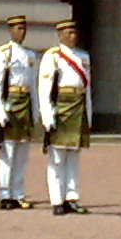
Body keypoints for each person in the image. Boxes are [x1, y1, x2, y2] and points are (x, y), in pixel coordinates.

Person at [38, 17, 92, 214]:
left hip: (78, 106)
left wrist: (89, 114)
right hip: (60, 107)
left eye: (74, 32)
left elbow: (87, 89)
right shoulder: (52, 57)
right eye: (68, 33)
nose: (73, 36)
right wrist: (47, 115)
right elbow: (45, 88)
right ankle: (56, 199)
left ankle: (71, 197)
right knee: (57, 157)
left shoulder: (84, 56)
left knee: (73, 157)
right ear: (60, 35)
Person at [0, 13, 39, 209]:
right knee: (7, 152)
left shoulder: (29, 54)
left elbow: (32, 84)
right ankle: (5, 193)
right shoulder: (3, 53)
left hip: (24, 104)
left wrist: (35, 110)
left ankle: (18, 192)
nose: (22, 32)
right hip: (10, 103)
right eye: (18, 28)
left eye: (24, 28)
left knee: (22, 153)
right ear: (10, 30)